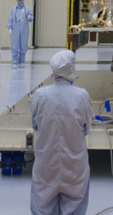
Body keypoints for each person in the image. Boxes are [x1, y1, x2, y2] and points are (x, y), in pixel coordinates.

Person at [30, 50, 94, 215]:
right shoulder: (81, 96)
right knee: (75, 202)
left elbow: (35, 124)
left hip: (46, 161)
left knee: (42, 201)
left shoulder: (40, 95)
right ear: (72, 68)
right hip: (74, 164)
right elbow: (87, 128)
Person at [8, 0, 34, 69]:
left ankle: (22, 62)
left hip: (24, 31)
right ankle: (14, 62)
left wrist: (30, 17)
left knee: (23, 45)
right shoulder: (14, 9)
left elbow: (31, 17)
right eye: (18, 0)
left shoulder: (26, 8)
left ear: (22, 0)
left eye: (20, 0)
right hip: (15, 31)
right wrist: (10, 27)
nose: (19, 1)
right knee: (15, 46)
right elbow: (10, 18)